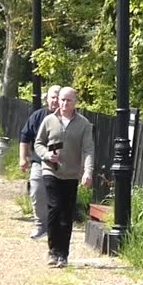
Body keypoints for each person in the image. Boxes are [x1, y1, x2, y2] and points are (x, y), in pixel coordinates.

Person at [33, 87, 94, 268]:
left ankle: (63, 254)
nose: (64, 103)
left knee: (66, 213)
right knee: (54, 208)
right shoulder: (49, 120)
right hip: (51, 170)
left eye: (68, 100)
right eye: (62, 100)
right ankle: (52, 251)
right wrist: (46, 155)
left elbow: (88, 149)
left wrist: (88, 171)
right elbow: (38, 143)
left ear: (75, 102)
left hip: (71, 173)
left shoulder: (83, 124)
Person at [18, 85, 61, 239]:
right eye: (52, 97)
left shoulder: (68, 118)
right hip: (40, 160)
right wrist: (23, 158)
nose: (55, 101)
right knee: (37, 189)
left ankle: (56, 226)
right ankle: (41, 225)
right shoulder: (37, 116)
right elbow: (24, 137)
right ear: (47, 99)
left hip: (63, 162)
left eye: (58, 97)